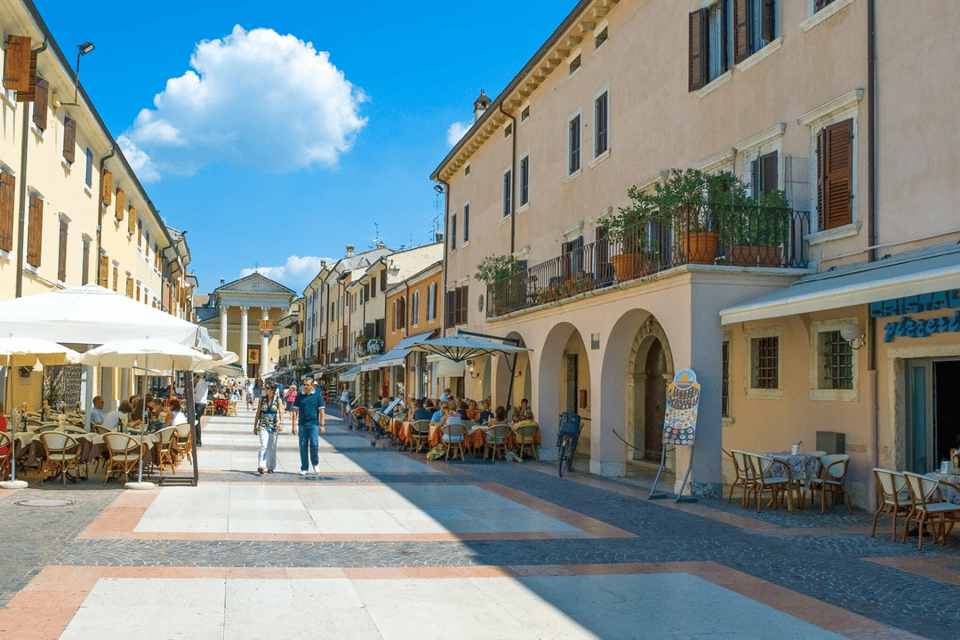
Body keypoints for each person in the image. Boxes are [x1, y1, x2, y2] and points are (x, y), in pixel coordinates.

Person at [294, 377, 326, 476]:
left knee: (314, 444)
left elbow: (322, 411)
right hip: (302, 424)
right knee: (303, 446)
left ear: (312, 385)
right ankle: (304, 467)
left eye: (308, 385)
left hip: (314, 424)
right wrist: (294, 425)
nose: (306, 386)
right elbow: (295, 412)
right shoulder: (300, 396)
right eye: (304, 385)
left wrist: (322, 424)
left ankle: (315, 463)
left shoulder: (317, 396)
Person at [254, 381, 283, 475]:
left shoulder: (278, 400)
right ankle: (261, 465)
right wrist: (255, 425)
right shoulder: (262, 399)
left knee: (272, 447)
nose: (265, 389)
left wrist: (281, 423)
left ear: (272, 390)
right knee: (264, 445)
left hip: (273, 425)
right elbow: (258, 412)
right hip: (263, 424)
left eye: (267, 388)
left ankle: (270, 467)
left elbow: (281, 413)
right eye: (265, 388)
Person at [194, 376, 209, 446]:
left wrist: (192, 394)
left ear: (196, 378)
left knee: (196, 422)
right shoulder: (204, 383)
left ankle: (197, 440)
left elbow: (197, 396)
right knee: (197, 422)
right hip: (203, 404)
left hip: (199, 404)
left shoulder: (199, 384)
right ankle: (197, 440)